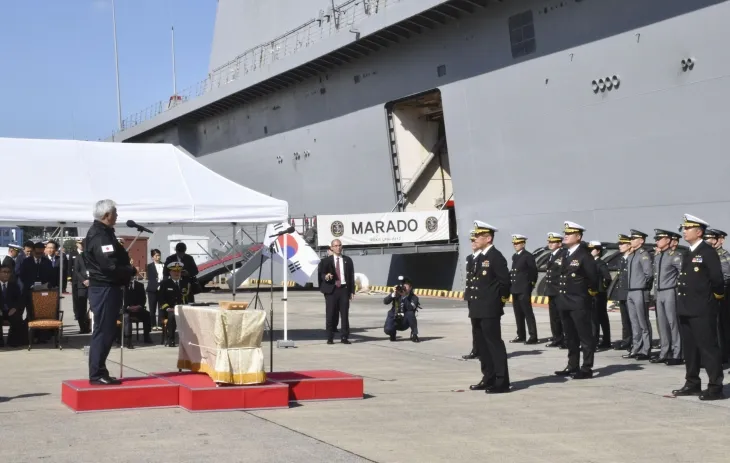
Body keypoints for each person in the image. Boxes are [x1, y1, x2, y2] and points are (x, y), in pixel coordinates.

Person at [672, 214, 725, 401]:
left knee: (708, 347)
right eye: (684, 228)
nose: (684, 231)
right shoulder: (688, 252)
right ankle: (692, 383)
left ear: (699, 231)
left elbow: (717, 280)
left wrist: (714, 298)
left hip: (702, 308)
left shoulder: (707, 252)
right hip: (686, 308)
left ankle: (715, 386)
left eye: (687, 228)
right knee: (690, 349)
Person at [85, 199, 136, 386]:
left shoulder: (105, 233)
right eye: (115, 212)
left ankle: (100, 370)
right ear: (106, 215)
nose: (117, 215)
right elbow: (109, 265)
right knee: (104, 331)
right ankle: (97, 373)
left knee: (107, 330)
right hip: (104, 287)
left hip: (108, 287)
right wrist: (129, 271)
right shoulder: (100, 236)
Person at [467, 220, 511, 394]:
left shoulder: (495, 257)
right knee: (482, 345)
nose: (475, 238)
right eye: (476, 235)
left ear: (489, 238)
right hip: (477, 308)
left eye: (479, 236)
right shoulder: (480, 257)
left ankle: (502, 381)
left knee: (494, 344)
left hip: (490, 308)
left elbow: (505, 283)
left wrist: (498, 302)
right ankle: (488, 377)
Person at [554, 221, 598, 380]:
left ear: (578, 237)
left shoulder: (584, 255)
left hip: (579, 301)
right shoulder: (564, 253)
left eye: (569, 234)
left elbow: (593, 278)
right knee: (570, 336)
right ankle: (572, 365)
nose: (565, 236)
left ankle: (586, 368)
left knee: (584, 336)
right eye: (565, 233)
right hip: (564, 301)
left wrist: (588, 294)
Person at [651, 229, 683, 365]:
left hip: (670, 291)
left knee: (673, 323)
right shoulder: (658, 256)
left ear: (668, 240)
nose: (657, 241)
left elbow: (682, 274)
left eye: (659, 239)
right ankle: (665, 352)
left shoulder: (675, 255)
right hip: (660, 292)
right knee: (662, 323)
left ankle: (678, 353)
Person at [623, 229, 653, 361]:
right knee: (634, 322)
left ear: (641, 240)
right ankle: (636, 348)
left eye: (634, 239)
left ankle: (645, 349)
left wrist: (644, 287)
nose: (631, 241)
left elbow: (649, 274)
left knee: (643, 321)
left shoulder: (643, 254)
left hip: (640, 290)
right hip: (631, 291)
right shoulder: (632, 255)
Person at [318, 239, 355, 345]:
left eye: (340, 245)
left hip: (343, 289)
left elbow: (351, 276)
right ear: (332, 248)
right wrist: (326, 276)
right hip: (331, 290)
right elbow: (321, 274)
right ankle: (330, 337)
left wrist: (352, 290)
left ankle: (344, 336)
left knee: (344, 314)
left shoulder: (347, 260)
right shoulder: (326, 261)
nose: (338, 247)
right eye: (336, 246)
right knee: (330, 314)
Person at [704, 229, 730, 364]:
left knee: (721, 325)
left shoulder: (724, 255)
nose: (712, 241)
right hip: (709, 294)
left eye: (716, 238)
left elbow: (726, 275)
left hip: (721, 294)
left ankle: (724, 354)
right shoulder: (710, 254)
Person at [509, 234, 538, 344]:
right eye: (514, 243)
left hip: (524, 289)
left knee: (527, 313)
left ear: (523, 244)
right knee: (518, 313)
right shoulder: (515, 256)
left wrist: (530, 286)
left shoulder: (528, 256)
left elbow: (533, 272)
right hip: (515, 289)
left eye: (517, 243)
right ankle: (521, 335)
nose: (515, 245)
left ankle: (533, 336)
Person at [158, 261, 191, 347]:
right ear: (170, 272)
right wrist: (168, 308)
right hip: (169, 310)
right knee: (172, 316)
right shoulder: (165, 283)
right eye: (174, 271)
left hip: (183, 309)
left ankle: (189, 339)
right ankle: (171, 339)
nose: (177, 273)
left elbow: (189, 298)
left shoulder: (185, 284)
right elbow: (161, 299)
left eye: (178, 271)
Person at [587, 241, 612, 350]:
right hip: (592, 293)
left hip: (598, 294)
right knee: (597, 318)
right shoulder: (590, 262)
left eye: (591, 250)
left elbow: (607, 278)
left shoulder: (600, 263)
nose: (589, 252)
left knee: (597, 319)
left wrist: (601, 289)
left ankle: (596, 341)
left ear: (598, 251)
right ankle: (602, 340)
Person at [120, 270, 154, 348]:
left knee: (147, 314)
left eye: (132, 275)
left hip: (137, 308)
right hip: (126, 309)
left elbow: (143, 299)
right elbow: (120, 299)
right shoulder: (123, 286)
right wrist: (127, 307)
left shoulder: (140, 285)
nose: (130, 277)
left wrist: (139, 306)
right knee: (126, 317)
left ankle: (146, 336)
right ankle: (128, 339)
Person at [544, 232, 566, 348]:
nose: (550, 244)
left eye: (553, 242)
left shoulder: (563, 254)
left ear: (559, 243)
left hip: (559, 291)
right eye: (549, 242)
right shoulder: (551, 255)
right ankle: (557, 338)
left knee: (562, 317)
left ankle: (566, 339)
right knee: (554, 317)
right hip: (551, 290)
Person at [383, 275, 420, 342]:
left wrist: (404, 297)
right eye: (403, 285)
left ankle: (414, 334)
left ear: (410, 287)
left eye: (406, 285)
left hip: (405, 322)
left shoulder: (414, 298)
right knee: (387, 329)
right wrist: (393, 294)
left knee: (410, 313)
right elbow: (385, 302)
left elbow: (410, 308)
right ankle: (392, 333)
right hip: (395, 319)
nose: (404, 287)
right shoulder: (397, 294)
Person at [462, 231, 481, 359]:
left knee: (483, 326)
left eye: (475, 240)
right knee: (475, 325)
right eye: (471, 241)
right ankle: (476, 350)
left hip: (481, 297)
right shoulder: (469, 258)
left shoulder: (484, 258)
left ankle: (484, 350)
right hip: (471, 296)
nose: (473, 243)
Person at [612, 234, 633, 351]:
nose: (620, 246)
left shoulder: (632, 258)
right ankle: (626, 340)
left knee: (633, 320)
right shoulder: (621, 259)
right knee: (625, 320)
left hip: (630, 293)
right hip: (622, 293)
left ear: (629, 245)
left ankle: (634, 341)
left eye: (622, 244)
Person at [0, 265, 25, 347]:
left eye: (8, 272)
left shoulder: (14, 286)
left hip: (11, 310)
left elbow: (19, 300)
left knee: (17, 317)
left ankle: (13, 341)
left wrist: (15, 308)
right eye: (4, 272)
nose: (6, 274)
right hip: (0, 310)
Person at [72, 239, 91, 333]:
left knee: (94, 306)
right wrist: (84, 280)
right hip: (82, 285)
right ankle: (82, 327)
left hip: (92, 285)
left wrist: (91, 280)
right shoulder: (78, 257)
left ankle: (90, 324)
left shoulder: (94, 257)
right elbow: (76, 271)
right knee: (81, 307)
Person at [146, 249, 164, 330]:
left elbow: (166, 277)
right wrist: (157, 285)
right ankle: (153, 324)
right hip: (152, 289)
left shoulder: (164, 265)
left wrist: (161, 285)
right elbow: (151, 278)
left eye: (159, 255)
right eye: (156, 255)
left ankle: (160, 324)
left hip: (162, 289)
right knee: (152, 308)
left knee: (161, 307)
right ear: (152, 257)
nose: (158, 257)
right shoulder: (149, 266)